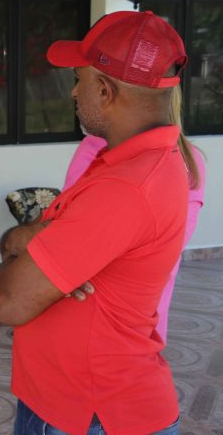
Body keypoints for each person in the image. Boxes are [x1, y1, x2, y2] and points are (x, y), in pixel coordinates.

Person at [0, 11, 189, 435]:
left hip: (90, 414)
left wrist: (23, 247)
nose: (72, 92)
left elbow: (10, 303)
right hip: (76, 403)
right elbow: (23, 255)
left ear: (104, 91)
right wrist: (27, 240)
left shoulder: (125, 187)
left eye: (77, 79)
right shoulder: (128, 163)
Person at [63, 86, 205, 342]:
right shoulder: (189, 159)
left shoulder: (95, 146)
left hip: (99, 307)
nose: (75, 91)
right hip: (139, 312)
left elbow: (66, 223)